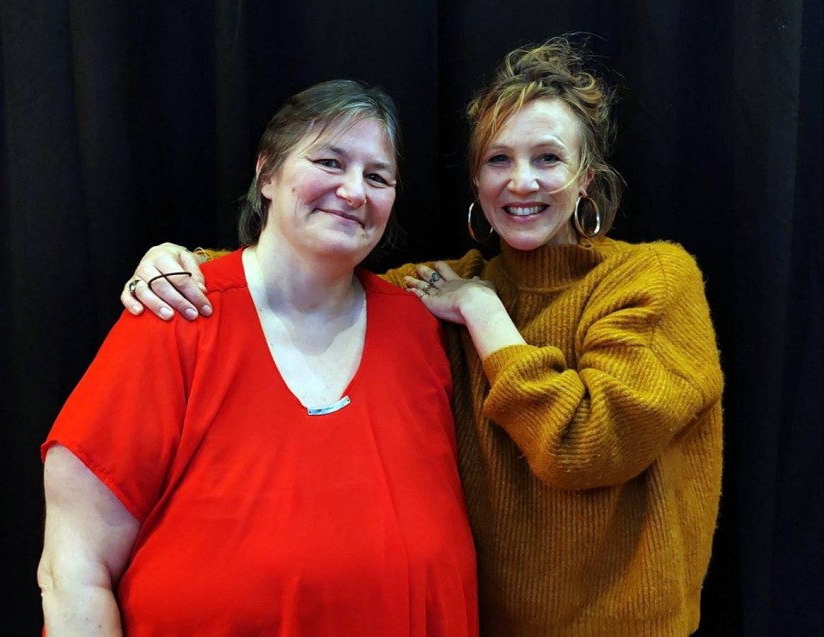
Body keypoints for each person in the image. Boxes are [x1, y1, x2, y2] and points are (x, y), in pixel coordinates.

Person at [120, 37, 724, 636]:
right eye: (499, 160)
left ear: (585, 177)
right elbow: (311, 281)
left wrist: (484, 313)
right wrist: (184, 265)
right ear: (476, 181)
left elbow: (584, 446)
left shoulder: (652, 278)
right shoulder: (443, 285)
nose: (521, 182)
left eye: (548, 159)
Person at [38, 79, 478, 636]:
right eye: (329, 161)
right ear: (267, 173)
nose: (353, 191)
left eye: (377, 177)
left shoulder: (422, 327)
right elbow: (74, 566)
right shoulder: (176, 315)